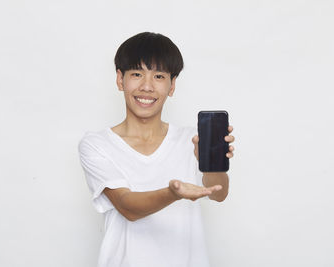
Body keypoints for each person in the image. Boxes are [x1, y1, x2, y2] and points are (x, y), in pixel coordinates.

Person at [78, 32, 235, 267]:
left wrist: (211, 161)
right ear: (120, 79)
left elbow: (218, 193)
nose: (147, 86)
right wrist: (172, 193)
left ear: (172, 86)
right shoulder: (97, 144)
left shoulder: (192, 139)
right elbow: (127, 206)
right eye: (137, 74)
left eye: (159, 76)